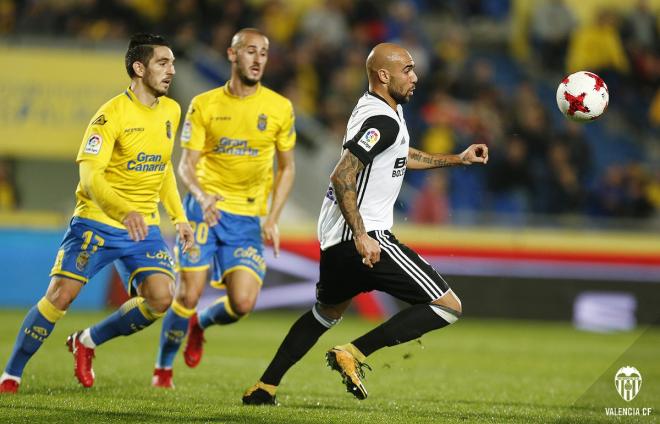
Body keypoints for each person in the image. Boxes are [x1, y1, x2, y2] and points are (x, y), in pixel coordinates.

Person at [242, 43, 488, 405]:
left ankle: (265, 386)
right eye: (407, 70)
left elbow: (399, 155)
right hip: (365, 237)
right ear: (384, 75)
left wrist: (457, 159)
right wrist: (361, 235)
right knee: (447, 306)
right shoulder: (383, 121)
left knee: (324, 313)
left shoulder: (375, 110)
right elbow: (342, 174)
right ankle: (354, 352)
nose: (415, 77)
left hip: (334, 243)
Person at [0, 33, 194, 394]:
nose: (172, 71)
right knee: (60, 296)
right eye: (162, 63)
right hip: (98, 222)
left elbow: (164, 166)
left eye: (172, 63)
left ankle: (87, 342)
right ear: (139, 68)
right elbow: (90, 177)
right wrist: (124, 211)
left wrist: (178, 216)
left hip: (143, 227)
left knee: (161, 297)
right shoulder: (109, 116)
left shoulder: (171, 110)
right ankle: (10, 374)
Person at [152, 28, 296, 388]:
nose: (258, 59)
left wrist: (273, 218)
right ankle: (163, 369)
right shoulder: (205, 104)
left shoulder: (280, 108)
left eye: (264, 52)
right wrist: (201, 197)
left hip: (247, 216)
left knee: (243, 303)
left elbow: (288, 167)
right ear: (232, 55)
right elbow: (186, 163)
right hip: (205, 209)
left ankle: (201, 324)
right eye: (250, 51)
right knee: (188, 293)